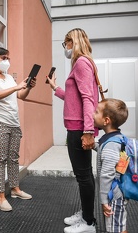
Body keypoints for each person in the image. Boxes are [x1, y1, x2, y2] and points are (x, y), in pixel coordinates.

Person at [46, 28, 99, 233]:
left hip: (79, 129)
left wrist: (87, 131)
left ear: (73, 42)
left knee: (83, 176)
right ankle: (87, 214)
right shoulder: (82, 63)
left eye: (66, 43)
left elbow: (88, 99)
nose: (65, 48)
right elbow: (74, 97)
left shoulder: (81, 63)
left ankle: (88, 223)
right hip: (77, 127)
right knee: (85, 174)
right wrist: (55, 87)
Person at [0, 46, 35, 212]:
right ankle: (0, 197)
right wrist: (17, 87)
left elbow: (20, 96)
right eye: (4, 58)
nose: (7, 61)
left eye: (8, 58)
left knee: (13, 158)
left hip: (13, 122)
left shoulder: (9, 78)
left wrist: (28, 87)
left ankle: (15, 189)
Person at [93, 98, 129, 233]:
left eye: (96, 112)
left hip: (113, 196)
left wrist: (104, 201)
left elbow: (107, 175)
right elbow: (106, 152)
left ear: (106, 121)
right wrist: (94, 146)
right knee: (117, 225)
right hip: (115, 192)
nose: (92, 114)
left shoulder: (111, 144)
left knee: (117, 229)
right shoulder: (114, 138)